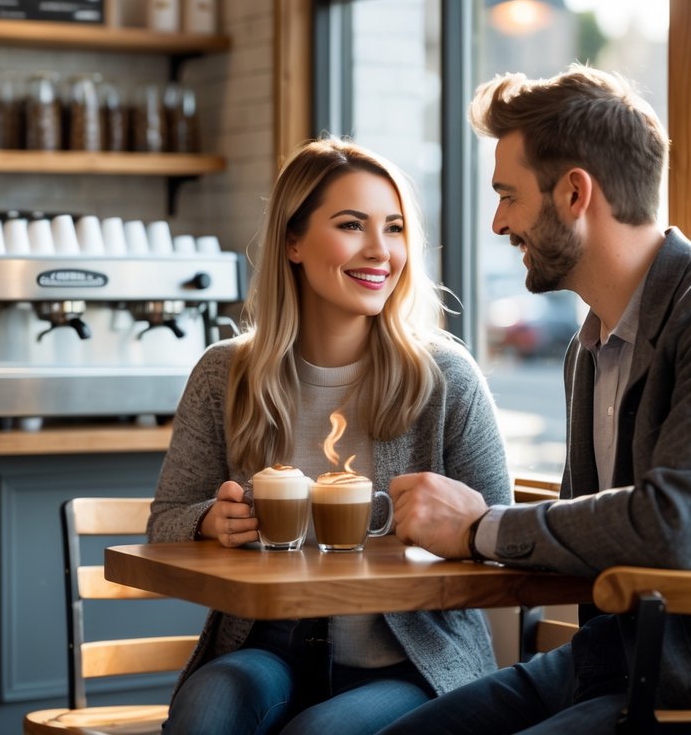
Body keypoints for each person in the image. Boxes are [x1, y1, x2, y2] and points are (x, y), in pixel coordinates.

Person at [381, 64, 691, 734]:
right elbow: (595, 528)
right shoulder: (590, 346)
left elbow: (675, 530)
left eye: (507, 195)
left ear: (574, 193)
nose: (496, 223)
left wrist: (480, 527)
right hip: (628, 658)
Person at [147, 137, 513, 735]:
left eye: (394, 229)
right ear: (293, 241)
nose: (380, 250)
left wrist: (452, 531)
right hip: (268, 649)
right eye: (352, 225)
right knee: (206, 708)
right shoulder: (225, 374)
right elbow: (163, 523)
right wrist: (210, 521)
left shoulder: (444, 377)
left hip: (407, 663)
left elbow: (500, 541)